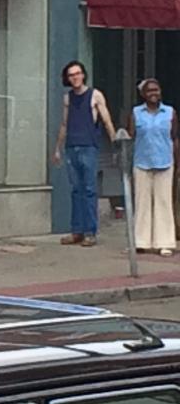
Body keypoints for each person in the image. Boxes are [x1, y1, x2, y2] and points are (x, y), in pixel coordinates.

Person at [52, 60, 116, 247]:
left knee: (89, 189)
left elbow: (106, 119)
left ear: (83, 74)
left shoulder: (94, 95)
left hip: (89, 146)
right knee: (76, 190)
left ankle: (90, 231)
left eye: (78, 73)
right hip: (72, 146)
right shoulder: (68, 98)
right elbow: (64, 123)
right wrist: (57, 148)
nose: (75, 77)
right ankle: (77, 230)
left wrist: (115, 143)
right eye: (71, 75)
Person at [127, 78, 178, 257]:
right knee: (142, 203)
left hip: (165, 162)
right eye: (149, 91)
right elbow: (131, 137)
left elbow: (174, 137)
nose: (153, 94)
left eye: (156, 90)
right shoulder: (136, 113)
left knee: (163, 202)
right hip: (142, 162)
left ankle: (165, 243)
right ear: (143, 95)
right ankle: (140, 242)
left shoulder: (170, 112)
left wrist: (177, 162)